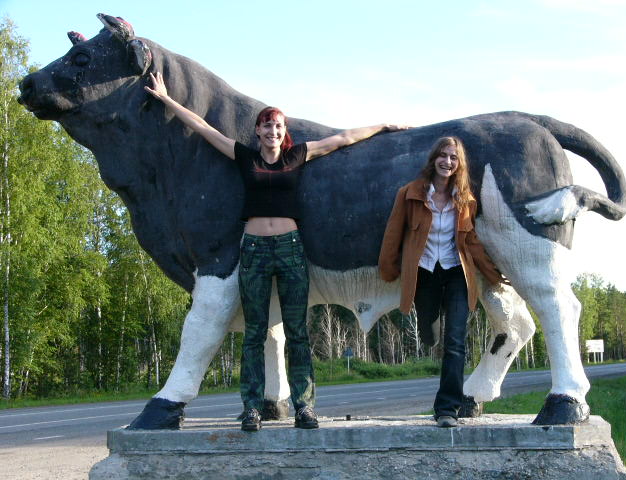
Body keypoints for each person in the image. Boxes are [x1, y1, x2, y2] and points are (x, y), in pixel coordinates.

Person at [145, 72, 407, 432]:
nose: (273, 131)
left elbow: (343, 139)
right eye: (267, 126)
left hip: (290, 249)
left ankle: (305, 407)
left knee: (297, 331)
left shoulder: (297, 156)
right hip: (253, 250)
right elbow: (204, 129)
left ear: (285, 133)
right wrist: (165, 98)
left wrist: (384, 126)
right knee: (254, 332)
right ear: (258, 131)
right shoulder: (244, 157)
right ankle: (252, 408)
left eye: (278, 126)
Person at [378, 136, 503, 428]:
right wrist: (389, 270)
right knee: (430, 335)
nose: (447, 162)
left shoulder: (466, 199)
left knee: (455, 341)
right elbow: (393, 233)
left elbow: (471, 241)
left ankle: (447, 409)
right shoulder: (409, 194)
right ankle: (428, 331)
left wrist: (493, 275)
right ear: (434, 158)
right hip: (425, 272)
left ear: (459, 164)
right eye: (443, 156)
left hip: (457, 272)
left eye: (453, 158)